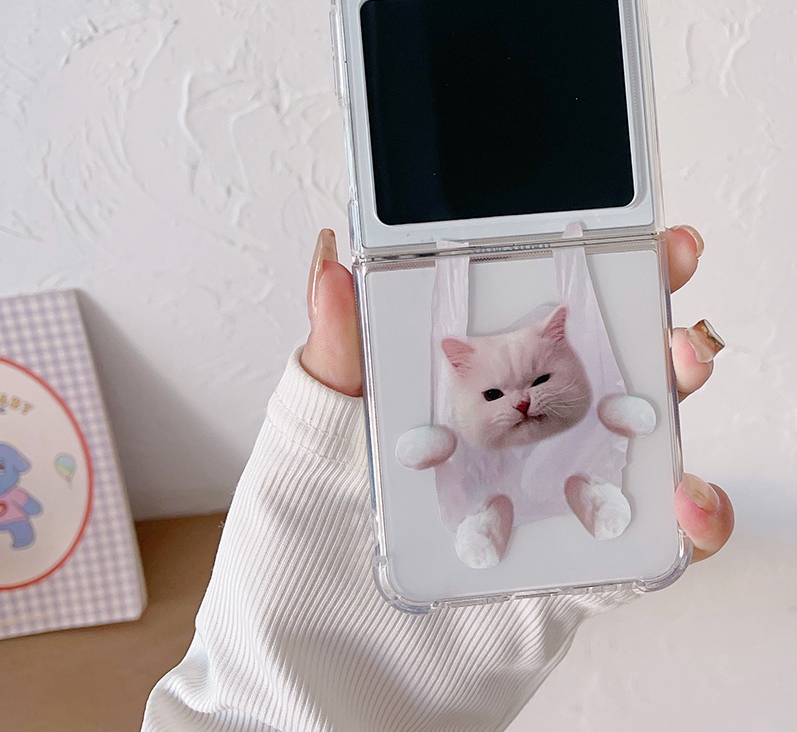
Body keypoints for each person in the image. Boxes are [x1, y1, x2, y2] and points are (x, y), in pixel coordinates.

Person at [142, 225, 733, 732]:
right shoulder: (455, 412)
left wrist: (263, 696)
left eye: (535, 384)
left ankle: (581, 498)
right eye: (499, 394)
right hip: (485, 491)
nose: (521, 402)